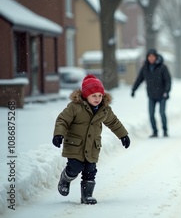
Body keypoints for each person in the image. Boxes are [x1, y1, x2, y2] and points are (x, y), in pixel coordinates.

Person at [52, 74, 130, 205]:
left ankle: (87, 196)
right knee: (75, 168)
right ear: (85, 95)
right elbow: (62, 120)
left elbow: (114, 122)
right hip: (75, 145)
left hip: (92, 147)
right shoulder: (75, 107)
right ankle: (65, 179)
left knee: (90, 171)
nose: (97, 99)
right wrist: (58, 134)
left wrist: (123, 135)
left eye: (100, 95)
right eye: (94, 95)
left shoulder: (104, 109)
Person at [131, 49, 172, 138]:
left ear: (156, 57)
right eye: (149, 56)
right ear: (147, 57)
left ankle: (165, 130)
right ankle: (155, 131)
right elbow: (139, 79)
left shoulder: (163, 67)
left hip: (162, 95)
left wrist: (167, 91)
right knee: (151, 114)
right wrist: (134, 89)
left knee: (162, 113)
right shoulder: (145, 68)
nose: (151, 58)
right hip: (151, 95)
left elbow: (168, 80)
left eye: (153, 56)